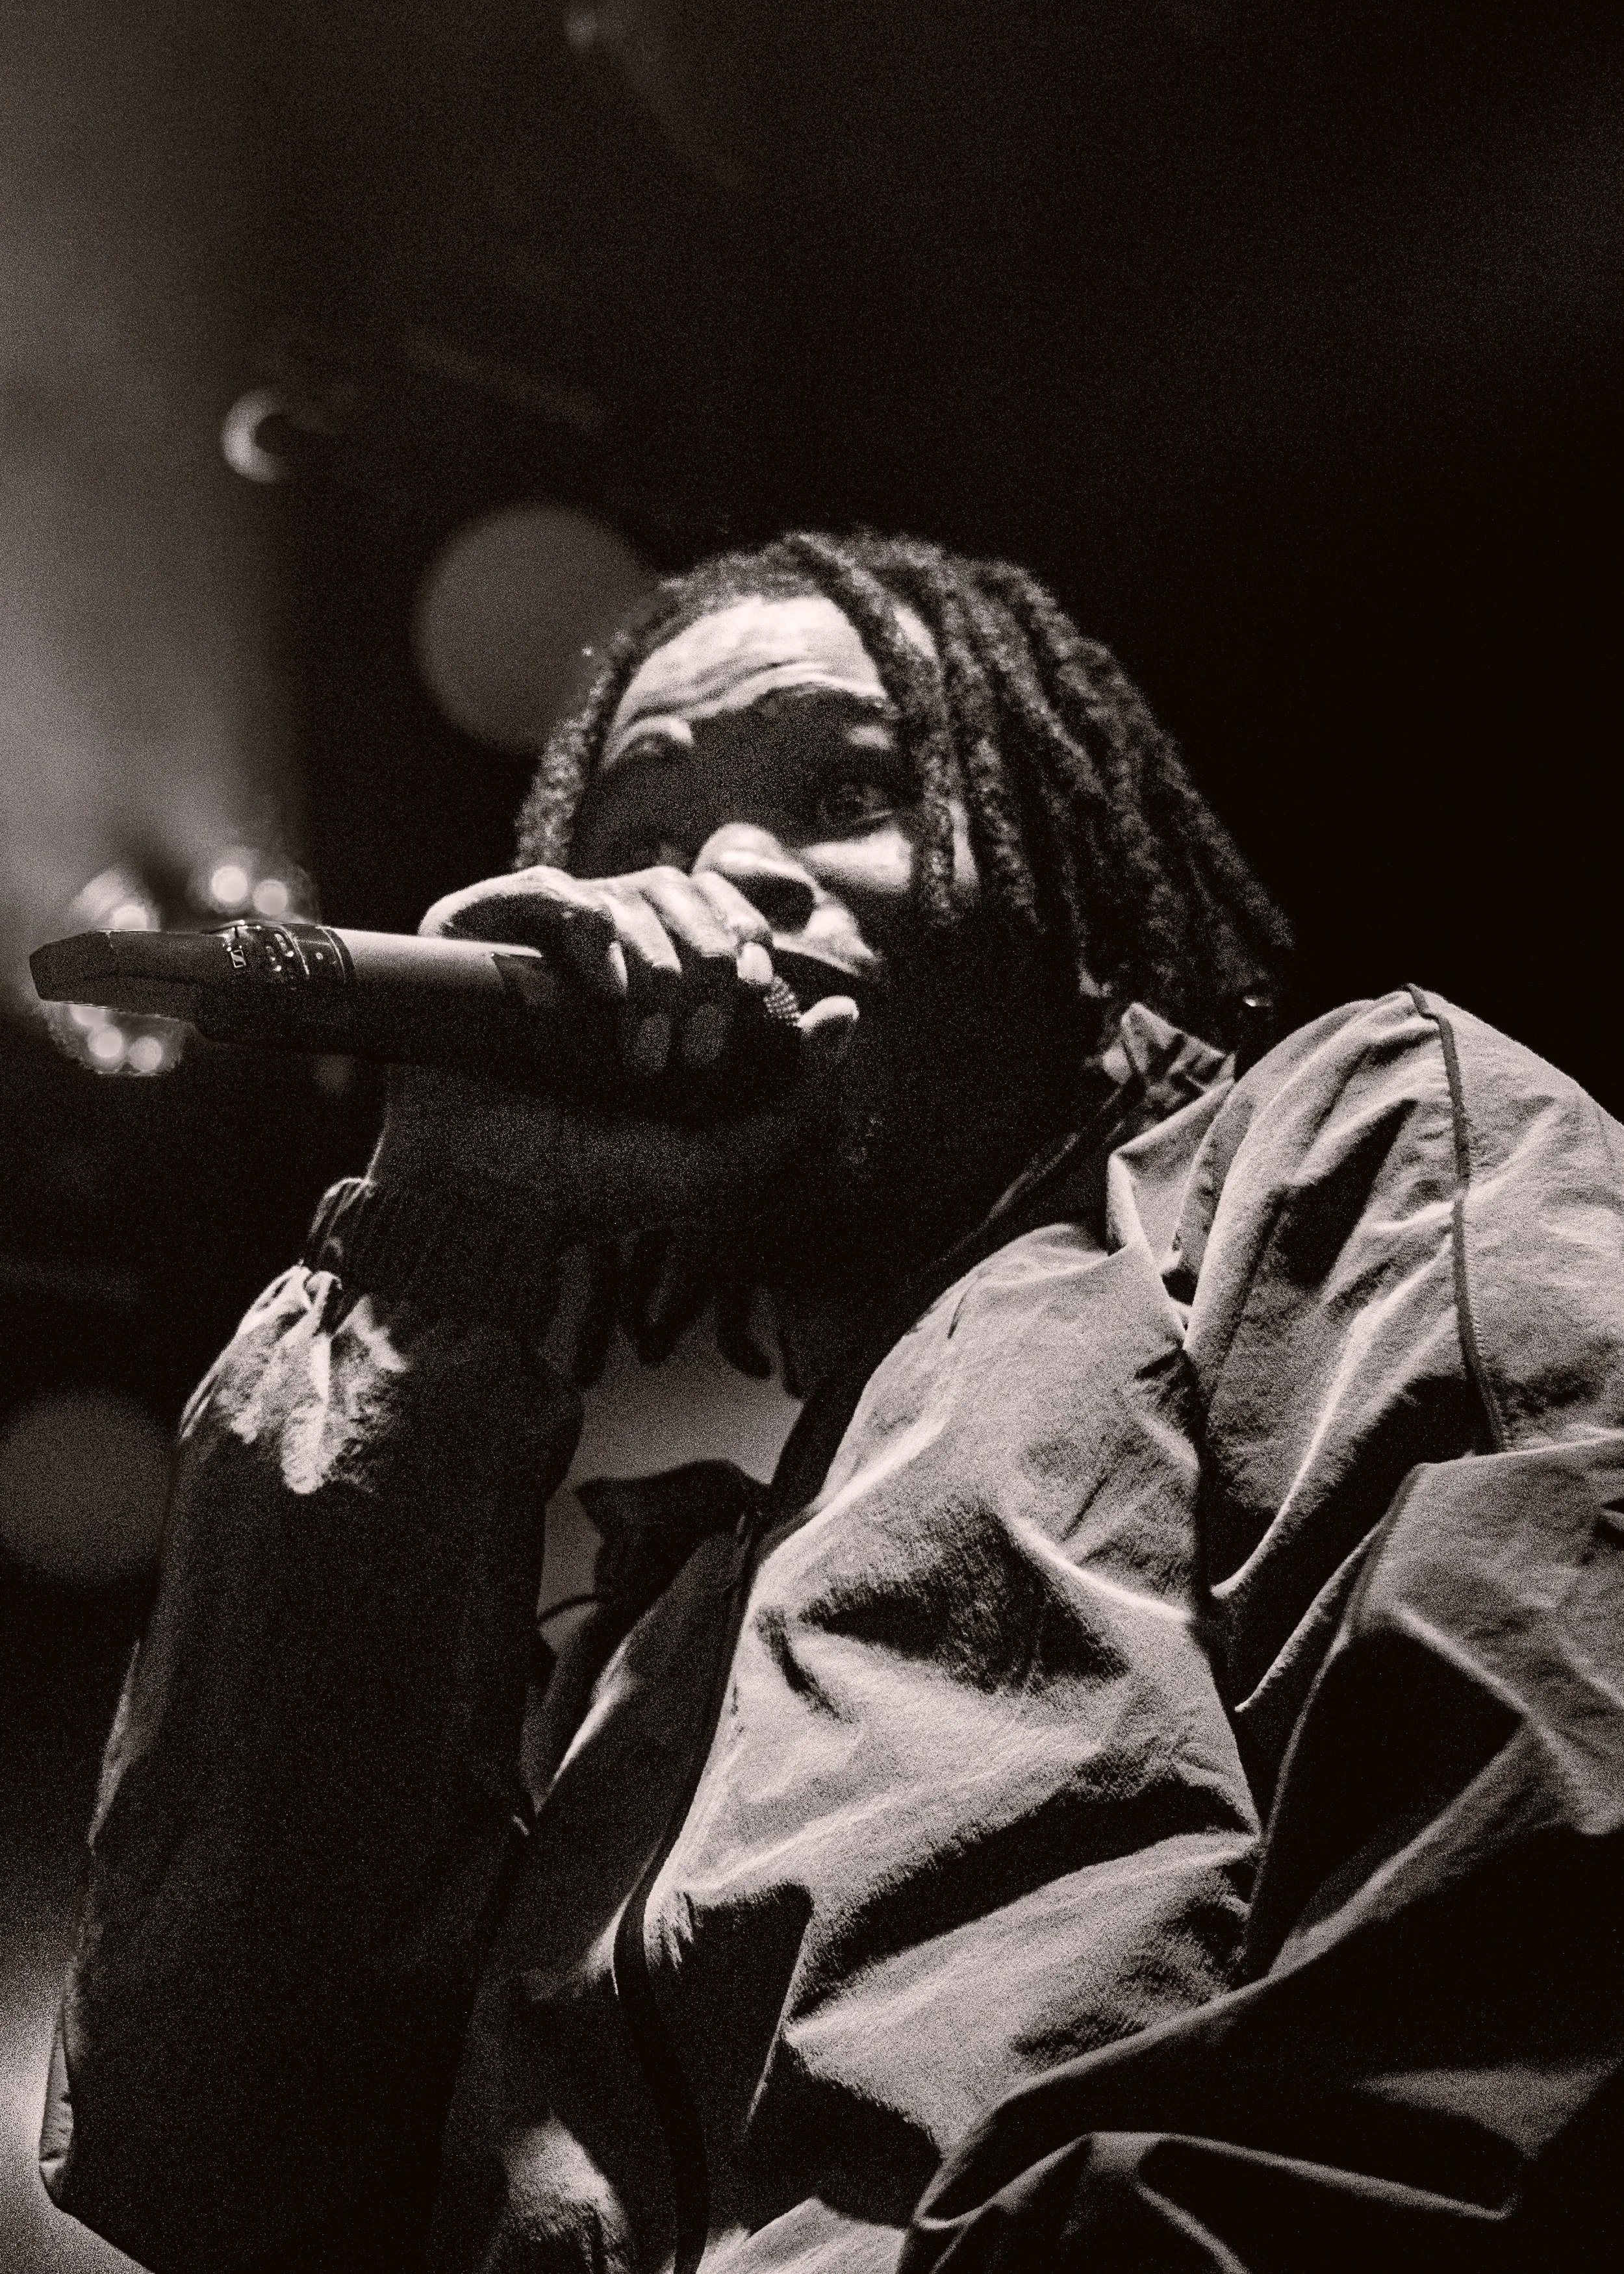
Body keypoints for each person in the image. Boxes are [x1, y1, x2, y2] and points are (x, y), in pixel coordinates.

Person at [40, 533, 1624, 2274]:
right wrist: (437, 1245)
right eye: (637, 834)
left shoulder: (1341, 1158)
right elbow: (211, 2141)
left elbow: (1522, 1967)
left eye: (847, 789)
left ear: (1060, 892)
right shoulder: (649, 1619)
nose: (720, 872)